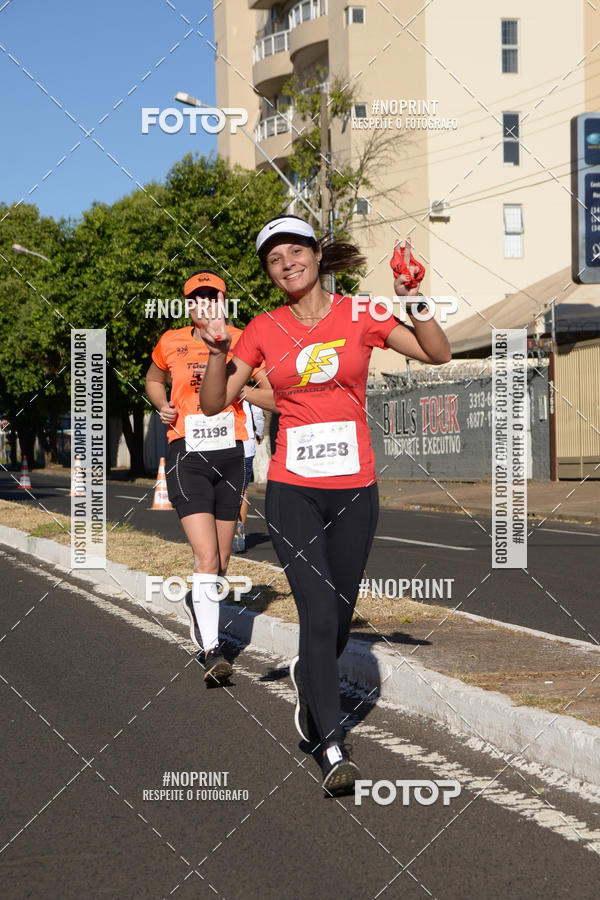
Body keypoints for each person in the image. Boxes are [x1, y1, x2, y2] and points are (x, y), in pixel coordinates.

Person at [199, 216, 451, 794]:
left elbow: (436, 353)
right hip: (293, 489)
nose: (286, 263)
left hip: (355, 488)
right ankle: (331, 745)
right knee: (315, 610)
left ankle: (309, 681)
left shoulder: (362, 313)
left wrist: (412, 297)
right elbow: (214, 402)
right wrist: (217, 352)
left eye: (295, 251)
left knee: (337, 614)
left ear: (316, 255)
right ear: (268, 273)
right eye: (273, 259)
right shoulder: (261, 329)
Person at [145, 268, 274, 686]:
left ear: (223, 301)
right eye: (197, 298)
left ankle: (196, 606)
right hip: (188, 455)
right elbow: (153, 378)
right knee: (206, 558)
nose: (205, 303)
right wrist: (162, 404)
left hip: (231, 455)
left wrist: (242, 391)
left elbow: (272, 390)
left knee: (222, 561)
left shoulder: (243, 338)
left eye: (212, 296)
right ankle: (212, 651)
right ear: (188, 306)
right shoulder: (171, 341)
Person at [233, 399, 265, 553]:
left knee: (223, 489)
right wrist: (260, 432)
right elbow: (258, 412)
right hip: (246, 444)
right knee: (243, 489)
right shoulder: (246, 388)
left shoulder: (217, 386)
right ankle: (240, 530)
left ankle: (220, 532)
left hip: (223, 444)